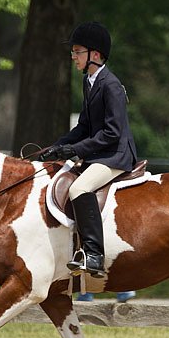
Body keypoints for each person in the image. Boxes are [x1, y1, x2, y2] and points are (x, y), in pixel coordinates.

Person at [39, 22, 138, 278]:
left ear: (95, 54)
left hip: (116, 155)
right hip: (101, 153)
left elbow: (111, 133)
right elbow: (84, 125)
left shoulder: (111, 85)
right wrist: (58, 146)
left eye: (77, 51)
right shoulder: (90, 82)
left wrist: (75, 149)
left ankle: (94, 255)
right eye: (73, 51)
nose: (73, 56)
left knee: (78, 188)